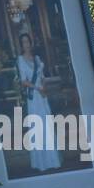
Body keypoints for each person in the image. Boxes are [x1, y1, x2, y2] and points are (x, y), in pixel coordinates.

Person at [17, 32, 61, 172]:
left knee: (47, 126)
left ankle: (53, 160)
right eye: (23, 42)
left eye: (27, 41)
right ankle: (41, 163)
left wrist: (44, 88)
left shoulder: (37, 59)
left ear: (31, 43)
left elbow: (42, 77)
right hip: (33, 97)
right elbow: (24, 81)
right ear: (21, 45)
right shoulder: (20, 60)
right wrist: (37, 88)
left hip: (42, 95)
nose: (26, 44)